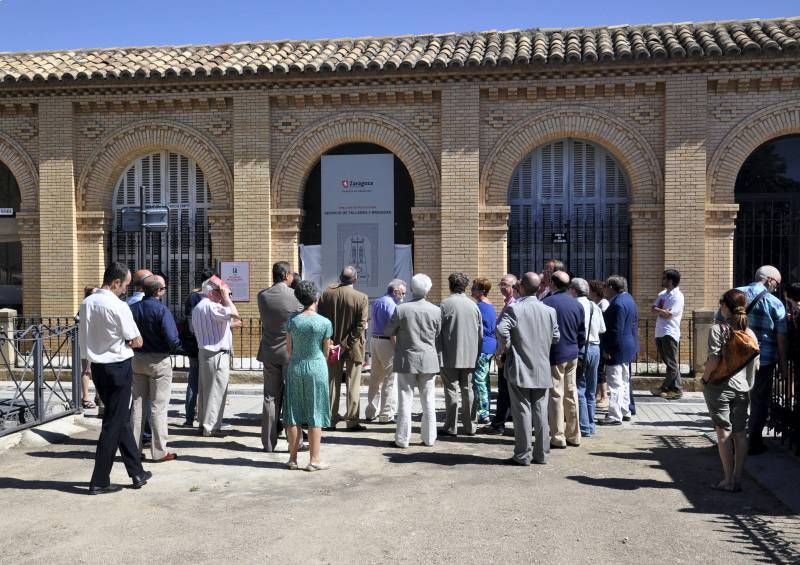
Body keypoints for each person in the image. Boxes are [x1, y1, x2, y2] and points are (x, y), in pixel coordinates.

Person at [79, 261, 150, 495]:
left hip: (98, 368)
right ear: (116, 282)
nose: (125, 290)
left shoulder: (87, 303)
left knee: (119, 420)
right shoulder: (118, 306)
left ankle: (136, 472)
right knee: (113, 423)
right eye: (125, 286)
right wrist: (131, 341)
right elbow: (136, 339)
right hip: (118, 367)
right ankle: (99, 480)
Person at [497, 272, 560, 466]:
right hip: (541, 366)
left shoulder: (515, 309)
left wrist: (506, 347)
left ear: (521, 287)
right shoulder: (549, 311)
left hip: (519, 366)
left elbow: (501, 329)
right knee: (540, 411)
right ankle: (541, 454)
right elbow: (556, 336)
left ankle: (523, 454)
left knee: (522, 410)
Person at [702, 289, 759, 492]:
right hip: (742, 387)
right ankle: (737, 478)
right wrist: (748, 384)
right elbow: (755, 365)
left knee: (723, 433)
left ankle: (727, 480)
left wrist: (706, 379)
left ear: (725, 306)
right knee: (740, 433)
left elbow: (714, 359)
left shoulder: (718, 330)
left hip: (720, 387)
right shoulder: (749, 333)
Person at [385, 274, 442, 448]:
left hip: (406, 359)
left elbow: (389, 330)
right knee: (429, 401)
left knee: (405, 400)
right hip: (429, 360)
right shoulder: (436, 310)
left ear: (411, 289)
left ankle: (402, 439)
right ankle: (430, 438)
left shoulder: (402, 309)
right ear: (428, 289)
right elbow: (438, 335)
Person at [736, 266, 788, 455]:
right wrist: (783, 365)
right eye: (777, 283)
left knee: (736, 398)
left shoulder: (735, 295)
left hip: (736, 358)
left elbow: (720, 325)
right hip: (763, 359)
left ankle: (735, 439)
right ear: (769, 280)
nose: (777, 287)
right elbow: (781, 338)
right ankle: (754, 441)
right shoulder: (775, 303)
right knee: (759, 400)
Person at [129, 275, 181, 463]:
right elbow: (172, 339)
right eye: (164, 288)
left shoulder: (132, 309)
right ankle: (159, 451)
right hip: (159, 361)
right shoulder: (162, 310)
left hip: (137, 359)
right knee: (158, 407)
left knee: (137, 405)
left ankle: (133, 450)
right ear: (158, 291)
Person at [284, 280, 333, 471]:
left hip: (296, 366)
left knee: (293, 413)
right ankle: (314, 459)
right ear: (316, 298)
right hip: (317, 366)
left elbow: (289, 349)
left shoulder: (292, 321)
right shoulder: (324, 323)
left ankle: (292, 458)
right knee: (316, 411)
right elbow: (326, 352)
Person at [257, 261, 302, 452]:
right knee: (292, 395)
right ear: (285, 276)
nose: (292, 277)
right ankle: (295, 441)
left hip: (269, 351)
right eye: (291, 274)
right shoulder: (295, 297)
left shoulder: (262, 296)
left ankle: (268, 442)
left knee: (269, 396)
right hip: (290, 352)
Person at [318, 266, 369, 431]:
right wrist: (346, 343)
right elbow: (361, 326)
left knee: (332, 383)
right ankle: (352, 421)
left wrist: (333, 342)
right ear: (355, 279)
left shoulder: (326, 294)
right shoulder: (361, 297)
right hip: (353, 346)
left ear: (340, 278)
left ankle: (330, 419)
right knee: (353, 384)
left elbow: (322, 321)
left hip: (331, 345)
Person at [192, 276, 242, 437]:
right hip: (217, 354)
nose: (222, 295)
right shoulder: (213, 307)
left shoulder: (199, 307)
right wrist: (226, 296)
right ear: (212, 292)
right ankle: (211, 427)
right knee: (217, 392)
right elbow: (235, 314)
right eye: (219, 292)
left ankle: (203, 424)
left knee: (206, 391)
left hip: (205, 353)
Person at [543, 271, 585, 448]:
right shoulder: (576, 304)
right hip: (572, 354)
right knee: (571, 392)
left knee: (556, 395)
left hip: (555, 355)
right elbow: (582, 333)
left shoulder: (547, 303)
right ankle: (574, 434)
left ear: (552, 283)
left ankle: (558, 436)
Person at [439, 272, 482, 438]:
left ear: (450, 286)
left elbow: (438, 331)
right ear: (465, 287)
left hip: (449, 355)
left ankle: (451, 427)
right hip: (470, 355)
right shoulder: (474, 306)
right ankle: (470, 426)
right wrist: (476, 353)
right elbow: (480, 334)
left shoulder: (445, 304)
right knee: (468, 389)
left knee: (451, 390)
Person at [597, 275, 639, 426]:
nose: (604, 290)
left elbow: (615, 330)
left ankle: (615, 415)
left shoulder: (616, 304)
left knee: (615, 383)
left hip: (617, 348)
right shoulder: (629, 299)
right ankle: (625, 410)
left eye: (605, 287)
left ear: (611, 288)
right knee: (624, 381)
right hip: (628, 345)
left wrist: (609, 349)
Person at [481, 274, 517, 435]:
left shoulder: (513, 305)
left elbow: (504, 331)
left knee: (504, 389)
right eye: (501, 284)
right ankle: (504, 418)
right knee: (505, 389)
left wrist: (501, 352)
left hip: (507, 353)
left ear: (514, 286)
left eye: (506, 284)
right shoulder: (507, 303)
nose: (502, 287)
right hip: (505, 351)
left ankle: (499, 424)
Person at [366, 279, 406, 424]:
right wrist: (397, 348)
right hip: (386, 342)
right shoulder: (391, 305)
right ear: (395, 291)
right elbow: (392, 330)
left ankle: (371, 411)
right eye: (402, 293)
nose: (403, 296)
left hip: (375, 340)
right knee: (391, 379)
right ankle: (386, 414)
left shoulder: (377, 302)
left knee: (375, 378)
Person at [570, 277, 605, 438]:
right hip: (595, 348)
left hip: (582, 348)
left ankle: (584, 426)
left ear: (574, 290)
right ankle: (591, 424)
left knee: (580, 388)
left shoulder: (575, 305)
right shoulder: (594, 306)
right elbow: (602, 329)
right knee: (591, 390)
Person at [181, 268, 215, 427]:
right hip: (209, 345)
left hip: (194, 345)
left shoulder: (192, 297)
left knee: (193, 381)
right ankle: (205, 418)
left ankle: (189, 418)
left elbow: (189, 323)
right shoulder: (213, 298)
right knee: (209, 383)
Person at [652, 269, 685, 400]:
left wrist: (661, 311)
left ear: (671, 281)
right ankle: (675, 388)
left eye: (664, 278)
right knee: (668, 362)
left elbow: (669, 315)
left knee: (671, 363)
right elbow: (654, 309)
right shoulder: (662, 294)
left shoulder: (678, 296)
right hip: (659, 331)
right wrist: (662, 310)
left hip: (670, 332)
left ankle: (668, 388)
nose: (662, 280)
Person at [470, 277, 496, 425]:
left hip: (483, 346)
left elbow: (481, 329)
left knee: (479, 380)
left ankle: (483, 412)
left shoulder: (481, 307)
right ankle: (484, 409)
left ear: (481, 291)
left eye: (474, 288)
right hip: (489, 345)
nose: (471, 290)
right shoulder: (488, 305)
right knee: (484, 379)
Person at [589, 280, 610, 410]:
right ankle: (598, 395)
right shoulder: (595, 303)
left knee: (601, 369)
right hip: (598, 339)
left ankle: (604, 396)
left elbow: (602, 325)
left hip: (601, 340)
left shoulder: (603, 304)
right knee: (597, 369)